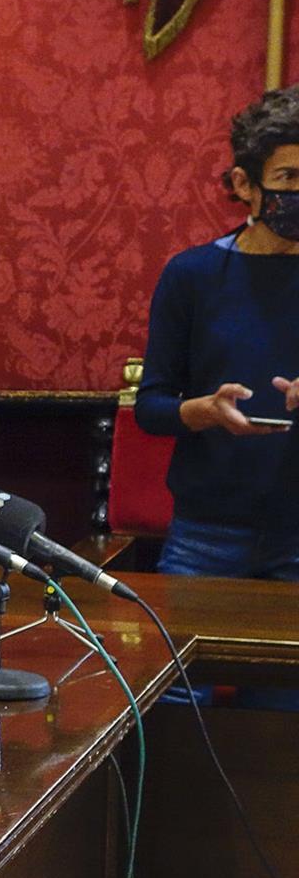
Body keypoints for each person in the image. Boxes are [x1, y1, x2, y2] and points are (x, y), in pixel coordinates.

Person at [136, 84, 299, 587]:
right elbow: (151, 407)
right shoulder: (193, 275)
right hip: (205, 535)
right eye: (288, 178)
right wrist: (205, 411)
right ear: (244, 184)